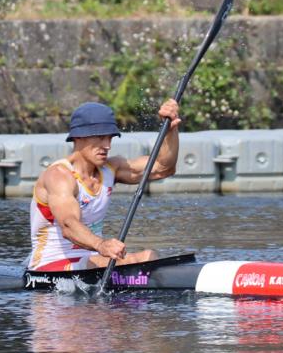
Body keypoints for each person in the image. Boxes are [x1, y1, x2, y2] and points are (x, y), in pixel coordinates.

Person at [28, 99, 180, 272]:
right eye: (100, 137)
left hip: (93, 260)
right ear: (78, 137)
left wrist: (170, 130)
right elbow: (69, 225)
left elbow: (163, 168)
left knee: (147, 256)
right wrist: (101, 244)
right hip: (51, 266)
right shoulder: (59, 176)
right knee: (135, 261)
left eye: (110, 138)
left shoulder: (110, 169)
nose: (107, 145)